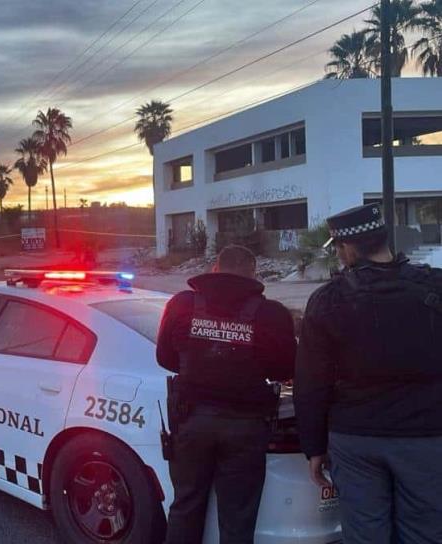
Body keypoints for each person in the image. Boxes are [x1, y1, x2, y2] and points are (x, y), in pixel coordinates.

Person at [295, 203, 442, 543]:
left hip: (357, 439)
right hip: (427, 436)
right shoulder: (434, 287)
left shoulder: (327, 300)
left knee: (364, 535)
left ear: (347, 248)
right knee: (426, 533)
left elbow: (311, 382)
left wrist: (314, 447)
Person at [156, 245, 296, 544]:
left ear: (215, 268)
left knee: (185, 507)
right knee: (237, 518)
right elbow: (286, 369)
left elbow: (165, 358)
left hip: (191, 421)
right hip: (246, 427)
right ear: (253, 274)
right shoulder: (272, 313)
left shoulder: (182, 303)